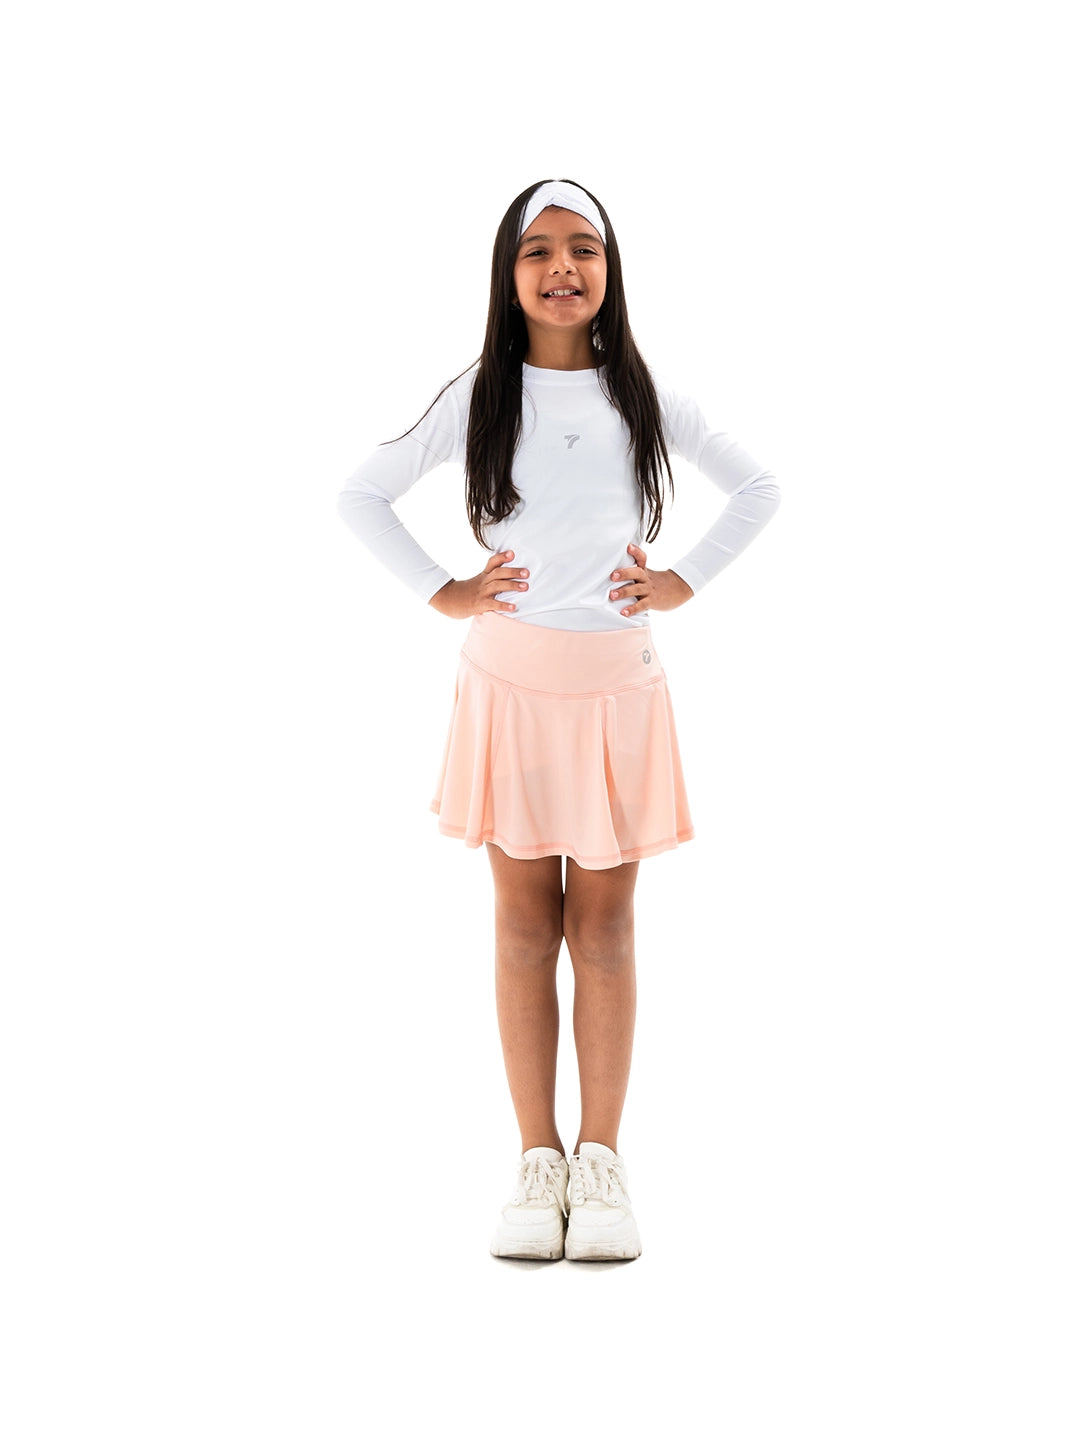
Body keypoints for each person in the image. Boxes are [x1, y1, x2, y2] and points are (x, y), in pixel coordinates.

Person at [337, 179, 780, 1262]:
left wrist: (683, 581)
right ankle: (536, 1160)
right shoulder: (482, 392)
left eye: (584, 247)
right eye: (538, 251)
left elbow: (759, 488)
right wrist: (446, 592)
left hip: (617, 692)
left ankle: (603, 1159)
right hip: (511, 691)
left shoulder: (643, 392)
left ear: (611, 270)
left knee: (608, 929)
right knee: (525, 926)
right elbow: (361, 494)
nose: (562, 268)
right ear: (508, 275)